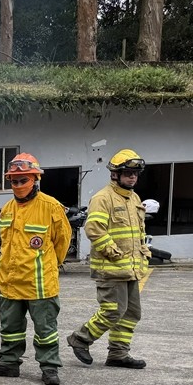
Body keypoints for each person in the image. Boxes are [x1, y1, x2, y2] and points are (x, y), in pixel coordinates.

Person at [0, 154, 72, 385]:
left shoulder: (50, 207)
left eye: (24, 180)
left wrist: (50, 265)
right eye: (14, 181)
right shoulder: (8, 209)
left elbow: (62, 243)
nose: (19, 185)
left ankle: (49, 367)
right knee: (10, 328)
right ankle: (9, 363)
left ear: (35, 179)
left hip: (40, 284)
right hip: (11, 283)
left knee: (46, 329)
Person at [67, 149, 150, 370]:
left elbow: (137, 232)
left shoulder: (134, 199)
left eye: (135, 173)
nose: (133, 177)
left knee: (132, 313)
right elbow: (94, 229)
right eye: (128, 173)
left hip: (131, 268)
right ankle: (80, 339)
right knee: (113, 310)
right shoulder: (103, 198)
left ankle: (118, 354)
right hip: (111, 267)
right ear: (115, 174)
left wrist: (144, 251)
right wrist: (112, 251)